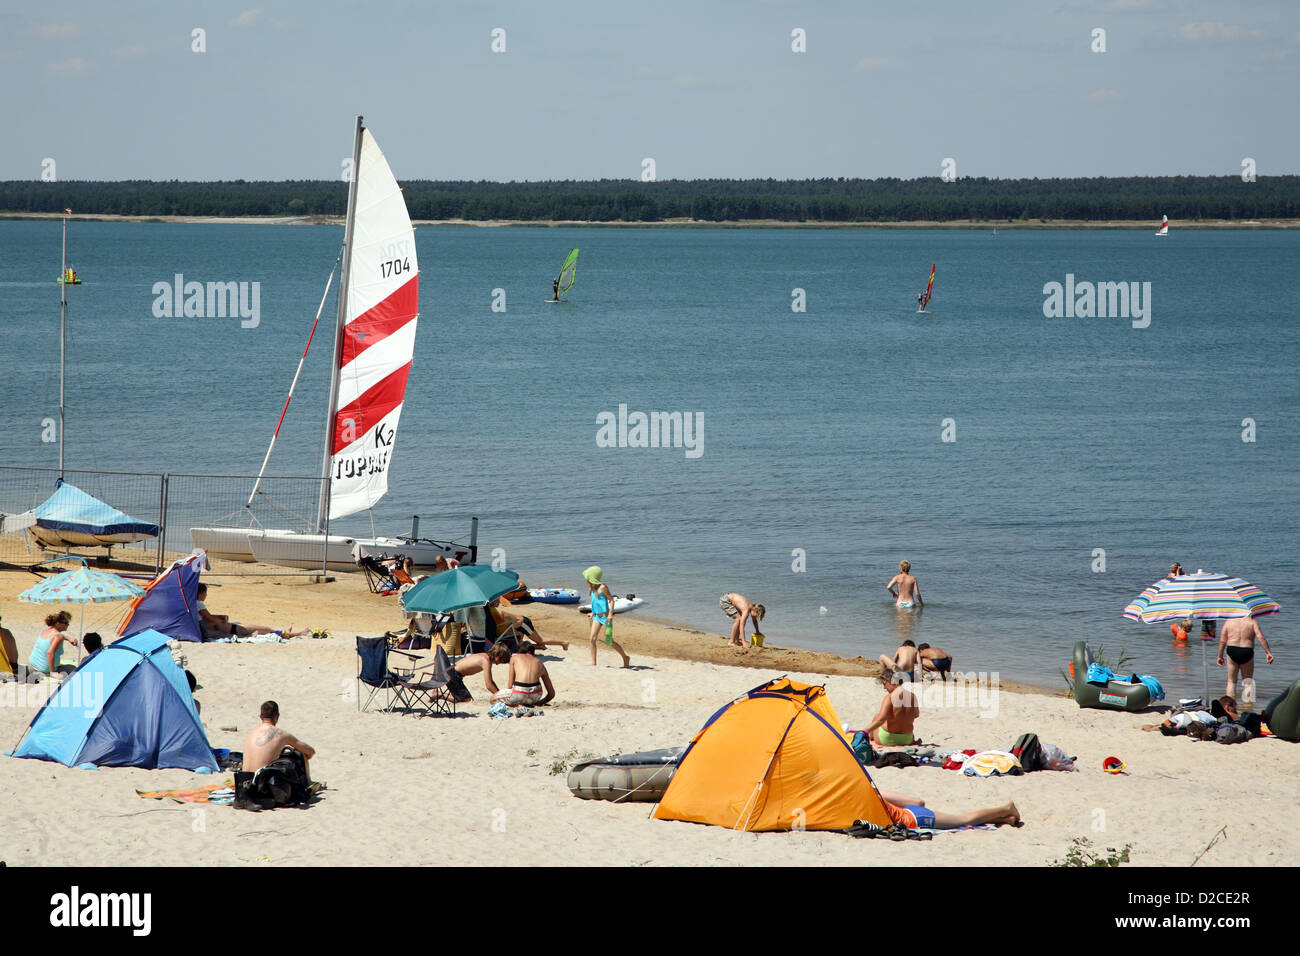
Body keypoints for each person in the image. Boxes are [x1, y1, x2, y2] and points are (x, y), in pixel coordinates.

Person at [195, 583, 309, 639]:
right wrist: (220, 619)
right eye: (205, 593)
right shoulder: (199, 604)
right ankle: (294, 634)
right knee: (266, 629)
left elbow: (207, 619)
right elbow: (210, 619)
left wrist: (218, 618)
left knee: (260, 629)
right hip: (230, 630)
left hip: (228, 628)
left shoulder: (192, 606)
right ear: (200, 594)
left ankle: (283, 631)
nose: (206, 595)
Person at [243, 701, 315, 782]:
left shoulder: (252, 732)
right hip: (262, 787)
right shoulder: (281, 734)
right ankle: (309, 784)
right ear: (277, 716)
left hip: (242, 784)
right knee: (300, 753)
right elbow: (310, 751)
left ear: (260, 716)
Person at [877, 790, 1020, 830]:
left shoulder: (860, 807)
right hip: (911, 811)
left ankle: (1006, 808)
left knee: (963, 819)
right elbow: (918, 802)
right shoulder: (872, 791)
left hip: (914, 820)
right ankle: (1006, 819)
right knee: (958, 821)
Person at [1217, 616, 1273, 705]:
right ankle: (1248, 707)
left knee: (1231, 681)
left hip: (1232, 650)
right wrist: (1268, 652)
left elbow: (1222, 641)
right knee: (1248, 682)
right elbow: (1261, 637)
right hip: (1247, 651)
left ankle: (1230, 707)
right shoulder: (1252, 622)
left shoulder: (1228, 622)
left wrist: (1220, 656)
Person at [584, 566, 630, 667]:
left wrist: (610, 614)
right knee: (592, 639)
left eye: (587, 577)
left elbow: (611, 600)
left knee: (609, 641)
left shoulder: (603, 587)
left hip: (605, 617)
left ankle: (625, 657)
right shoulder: (592, 588)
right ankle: (593, 662)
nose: (586, 580)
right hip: (596, 617)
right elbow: (594, 602)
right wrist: (592, 612)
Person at [488, 597, 568, 651]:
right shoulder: (495, 611)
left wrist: (516, 628)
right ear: (492, 602)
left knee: (541, 640)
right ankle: (539, 646)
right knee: (535, 642)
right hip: (517, 625)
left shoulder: (496, 612)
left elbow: (517, 621)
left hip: (523, 623)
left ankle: (563, 643)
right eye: (497, 600)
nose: (499, 602)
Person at [864, 670, 919, 746]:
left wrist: (864, 732)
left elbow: (881, 719)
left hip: (887, 739)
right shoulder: (913, 696)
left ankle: (869, 737)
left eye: (884, 684)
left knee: (877, 716)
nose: (884, 688)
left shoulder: (889, 697)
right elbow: (916, 715)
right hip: (907, 739)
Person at [494, 640, 555, 707]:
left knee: (493, 699)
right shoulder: (540, 663)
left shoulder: (514, 658)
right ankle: (525, 704)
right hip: (535, 697)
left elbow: (510, 685)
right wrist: (539, 703)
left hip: (519, 694)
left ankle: (518, 705)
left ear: (519, 652)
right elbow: (551, 694)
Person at [28, 611, 77, 677]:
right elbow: (50, 653)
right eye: (66, 623)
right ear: (58, 623)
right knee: (73, 668)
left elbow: (57, 636)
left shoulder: (45, 631)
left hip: (32, 665)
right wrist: (53, 672)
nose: (68, 625)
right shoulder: (59, 637)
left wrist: (68, 638)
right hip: (44, 670)